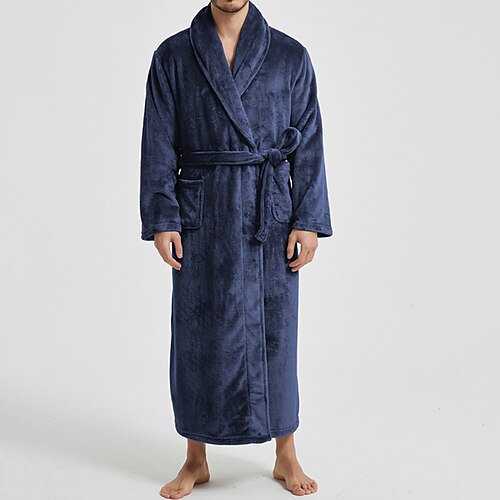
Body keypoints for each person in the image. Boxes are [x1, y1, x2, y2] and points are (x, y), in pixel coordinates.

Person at [139, 1, 334, 497]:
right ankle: (195, 458)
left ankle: (286, 453)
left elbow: (309, 143)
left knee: (277, 333)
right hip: (202, 214)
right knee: (197, 333)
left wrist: (307, 219)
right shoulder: (173, 56)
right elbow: (158, 142)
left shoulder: (290, 55)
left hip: (270, 214)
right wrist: (163, 217)